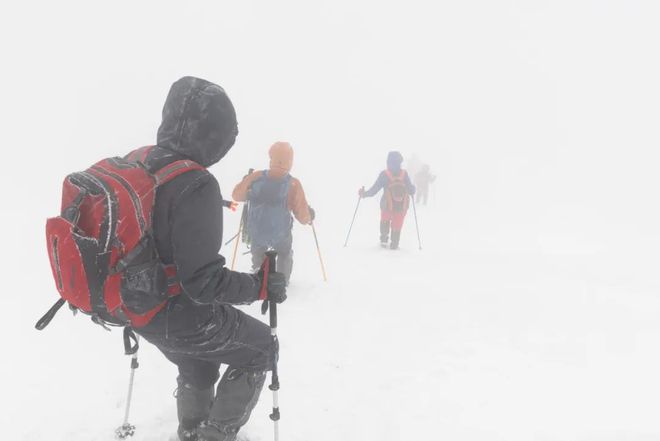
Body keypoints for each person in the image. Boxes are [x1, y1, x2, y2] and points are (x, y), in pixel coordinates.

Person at [133, 77, 287, 441]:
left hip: (136, 307)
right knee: (262, 346)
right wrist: (259, 285)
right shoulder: (195, 182)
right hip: (173, 311)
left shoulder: (139, 163)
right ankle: (214, 434)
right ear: (215, 135)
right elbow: (203, 283)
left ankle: (190, 430)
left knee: (197, 357)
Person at [232, 142, 314, 284]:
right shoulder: (293, 183)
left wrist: (245, 180)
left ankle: (259, 276)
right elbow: (302, 215)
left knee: (258, 249)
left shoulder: (256, 176)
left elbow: (237, 196)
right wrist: (309, 217)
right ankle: (282, 281)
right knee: (284, 252)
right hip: (281, 232)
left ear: (272, 158)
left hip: (257, 230)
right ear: (290, 161)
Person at [359, 151, 415, 250]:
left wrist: (363, 194)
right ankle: (395, 244)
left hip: (387, 205)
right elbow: (411, 190)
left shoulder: (384, 174)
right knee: (397, 224)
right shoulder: (404, 174)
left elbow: (374, 190)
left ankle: (384, 240)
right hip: (402, 207)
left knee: (385, 220)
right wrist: (413, 189)